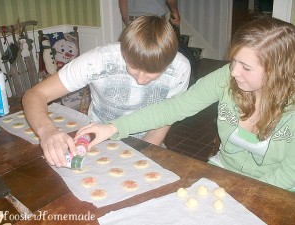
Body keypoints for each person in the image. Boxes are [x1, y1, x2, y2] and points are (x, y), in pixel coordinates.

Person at [75, 16, 295, 191]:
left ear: (277, 71)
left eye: (246, 67)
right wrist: (113, 127)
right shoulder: (226, 78)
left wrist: (242, 193)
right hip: (221, 173)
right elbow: (174, 108)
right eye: (234, 61)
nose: (234, 72)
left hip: (274, 189)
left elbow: (287, 176)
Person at [22, 16, 191, 168]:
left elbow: (166, 116)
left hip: (150, 143)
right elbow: (35, 95)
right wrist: (47, 131)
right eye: (133, 68)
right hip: (98, 142)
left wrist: (142, 155)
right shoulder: (98, 60)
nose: (140, 80)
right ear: (124, 52)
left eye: (151, 74)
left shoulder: (180, 69)